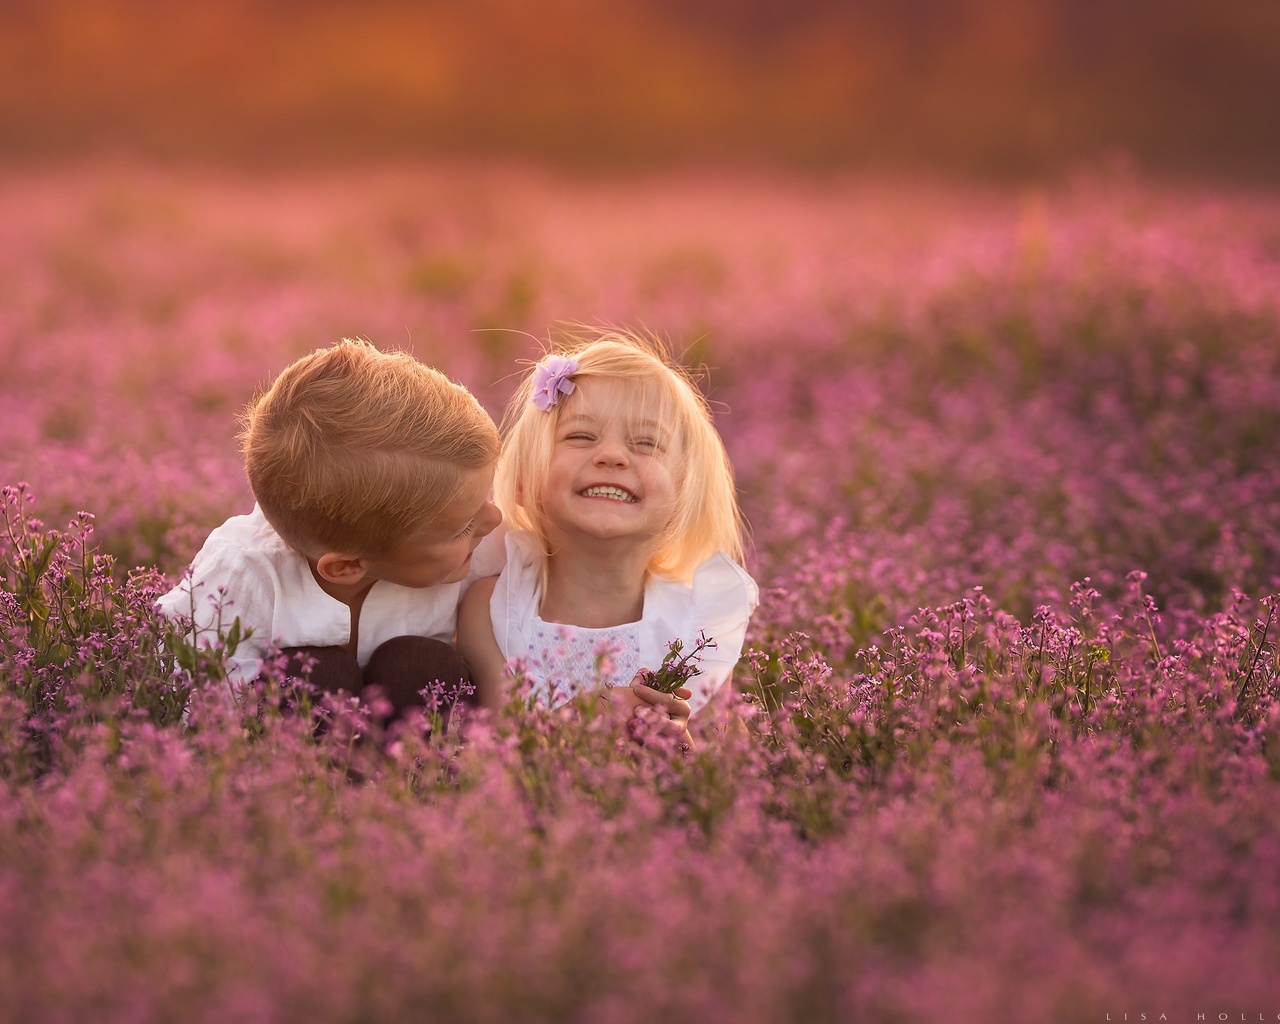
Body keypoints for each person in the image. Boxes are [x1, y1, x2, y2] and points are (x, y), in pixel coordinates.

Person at [157, 338, 503, 723]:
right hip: (288, 751)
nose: (494, 521)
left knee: (423, 664)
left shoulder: (469, 545)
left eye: (485, 497)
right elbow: (199, 705)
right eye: (465, 526)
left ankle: (411, 775)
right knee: (316, 672)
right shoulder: (241, 575)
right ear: (346, 566)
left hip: (402, 735)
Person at [457, 328, 757, 747]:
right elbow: (500, 750)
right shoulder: (496, 608)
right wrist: (598, 712)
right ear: (525, 477)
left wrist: (684, 749)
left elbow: (733, 768)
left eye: (647, 443)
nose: (612, 455)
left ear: (683, 494)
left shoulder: (695, 622)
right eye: (581, 436)